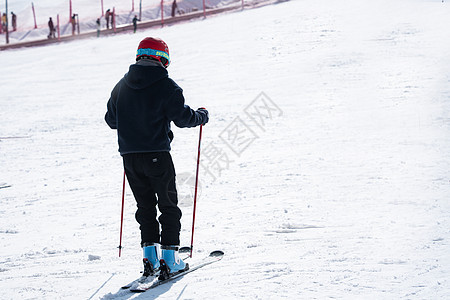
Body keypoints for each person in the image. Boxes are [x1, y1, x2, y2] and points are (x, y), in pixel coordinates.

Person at [105, 37, 209, 276]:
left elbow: (111, 120)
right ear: (163, 59)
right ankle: (170, 260)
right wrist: (201, 116)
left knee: (145, 206)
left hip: (129, 157)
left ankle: (150, 258)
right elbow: (183, 118)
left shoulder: (121, 86)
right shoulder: (167, 86)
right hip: (157, 156)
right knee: (168, 204)